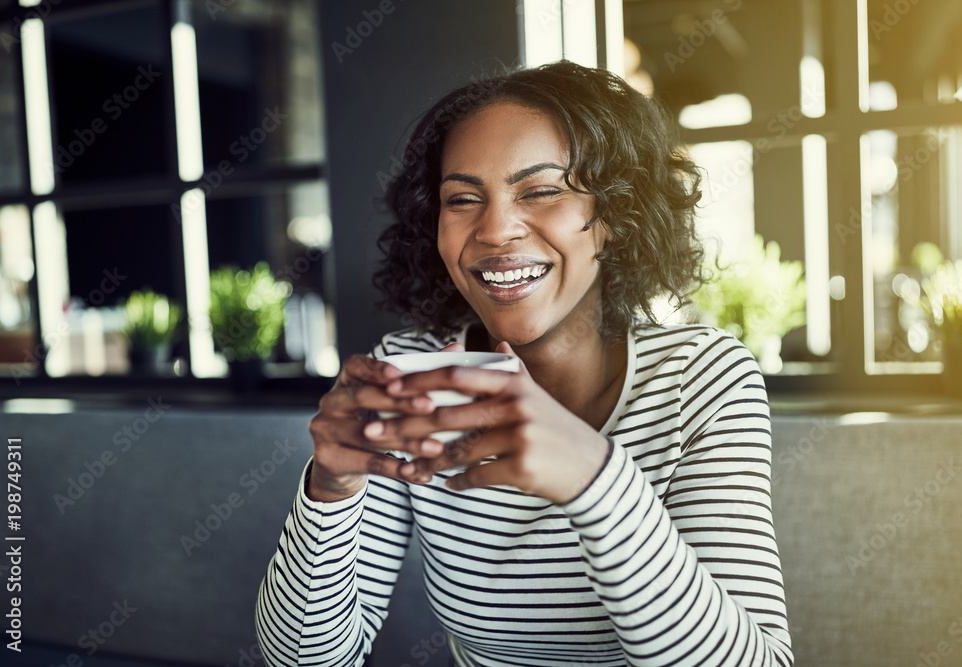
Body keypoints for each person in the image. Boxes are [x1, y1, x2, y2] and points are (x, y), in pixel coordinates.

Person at [256, 60, 792, 667]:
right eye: (462, 198)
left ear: (614, 215)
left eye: (540, 191)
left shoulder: (703, 381)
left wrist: (595, 479)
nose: (494, 229)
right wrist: (329, 492)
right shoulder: (409, 375)